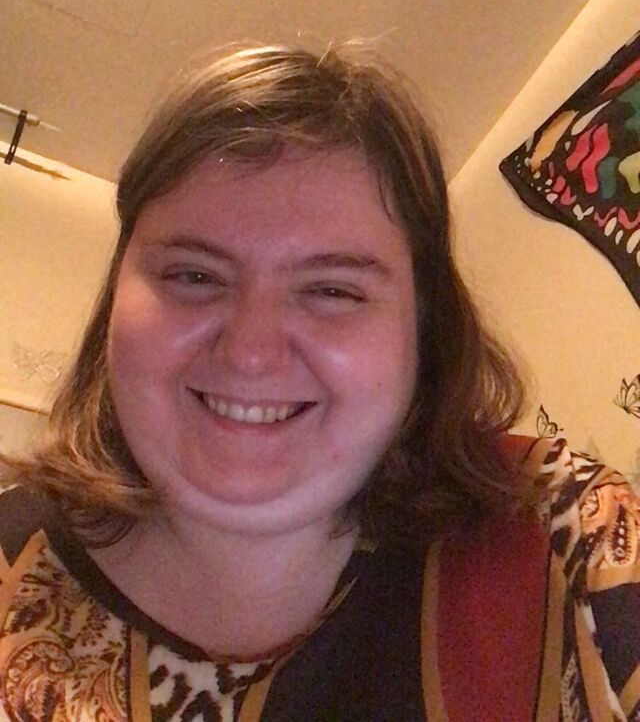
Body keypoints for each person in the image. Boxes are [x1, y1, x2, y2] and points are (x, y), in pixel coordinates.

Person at [0, 43, 638, 721]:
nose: (250, 352)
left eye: (332, 290)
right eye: (194, 275)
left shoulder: (566, 535)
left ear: (423, 330)